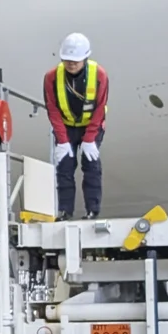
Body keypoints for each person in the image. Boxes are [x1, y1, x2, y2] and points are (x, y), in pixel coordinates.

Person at [44, 32, 108, 219]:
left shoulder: (99, 75)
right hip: (66, 127)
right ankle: (65, 210)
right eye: (67, 60)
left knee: (91, 166)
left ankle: (92, 209)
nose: (71, 64)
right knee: (64, 167)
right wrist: (62, 141)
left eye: (76, 60)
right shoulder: (52, 77)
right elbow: (53, 110)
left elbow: (99, 108)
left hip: (92, 126)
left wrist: (90, 140)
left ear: (85, 58)